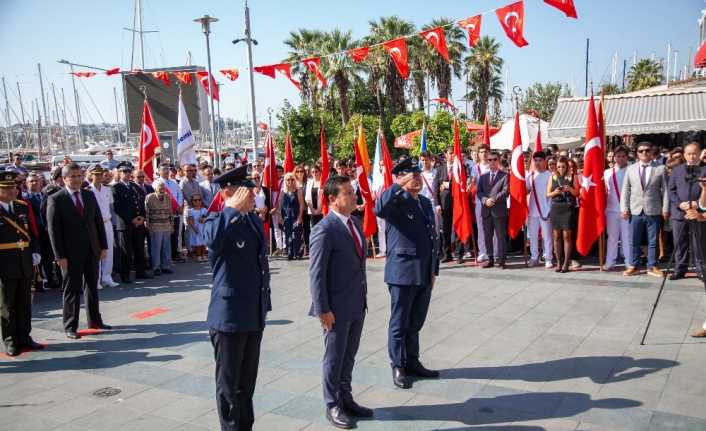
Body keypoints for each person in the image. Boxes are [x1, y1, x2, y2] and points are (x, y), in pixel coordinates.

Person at [204, 165, 271, 431]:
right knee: (229, 386)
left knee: (247, 384)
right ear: (229, 192)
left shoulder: (252, 220)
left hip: (253, 312)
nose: (254, 194)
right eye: (248, 190)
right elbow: (211, 239)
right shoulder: (217, 220)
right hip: (229, 317)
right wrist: (230, 207)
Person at [308, 175, 373, 429]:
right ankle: (332, 404)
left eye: (353, 192)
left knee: (349, 356)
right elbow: (316, 274)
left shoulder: (354, 223)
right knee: (334, 358)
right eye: (348, 193)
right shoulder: (324, 229)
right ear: (333, 200)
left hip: (356, 303)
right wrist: (322, 309)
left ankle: (346, 398)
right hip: (334, 309)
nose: (354, 196)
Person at [375, 158, 440, 390]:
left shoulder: (423, 202)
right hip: (402, 273)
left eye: (418, 174)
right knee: (399, 322)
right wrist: (398, 185)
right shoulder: (395, 202)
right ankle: (398, 365)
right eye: (412, 175)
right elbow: (378, 208)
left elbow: (433, 237)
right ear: (400, 177)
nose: (417, 179)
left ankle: (412, 361)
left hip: (424, 272)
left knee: (416, 321)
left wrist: (434, 269)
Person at [47, 163, 110, 339]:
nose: (76, 179)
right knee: (71, 290)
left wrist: (103, 246)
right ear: (64, 178)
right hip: (70, 253)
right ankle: (70, 326)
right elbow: (54, 230)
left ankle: (95, 320)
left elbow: (97, 222)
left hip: (91, 249)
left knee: (92, 287)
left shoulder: (89, 196)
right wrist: (59, 256)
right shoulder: (56, 199)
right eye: (72, 176)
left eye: (78, 176)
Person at [0, 170, 43, 356]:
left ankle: (25, 336)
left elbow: (33, 233)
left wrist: (35, 251)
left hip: (24, 261)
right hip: (4, 264)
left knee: (25, 303)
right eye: (7, 188)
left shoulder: (22, 207)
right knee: (7, 305)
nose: (13, 191)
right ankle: (10, 340)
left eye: (14, 187)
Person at [620, 141, 670, 277]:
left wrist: (665, 209)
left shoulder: (660, 168)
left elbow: (665, 190)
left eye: (647, 150)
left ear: (651, 151)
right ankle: (634, 265)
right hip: (635, 210)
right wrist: (624, 208)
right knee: (634, 240)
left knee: (653, 241)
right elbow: (626, 190)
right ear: (637, 153)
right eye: (641, 151)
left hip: (654, 209)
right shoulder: (630, 169)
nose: (644, 153)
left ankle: (652, 266)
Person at [667, 141, 706, 280]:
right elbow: (671, 190)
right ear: (684, 155)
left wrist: (698, 203)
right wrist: (679, 204)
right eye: (689, 154)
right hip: (680, 213)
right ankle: (679, 269)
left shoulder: (704, 169)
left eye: (694, 153)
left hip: (698, 212)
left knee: (699, 242)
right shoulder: (677, 170)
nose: (692, 156)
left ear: (700, 153)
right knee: (680, 242)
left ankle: (701, 270)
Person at [87, 164, 119, 288]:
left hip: (107, 222)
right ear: (91, 175)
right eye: (96, 174)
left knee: (109, 250)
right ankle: (96, 279)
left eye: (101, 174)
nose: (99, 177)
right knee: (97, 251)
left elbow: (111, 208)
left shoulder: (107, 189)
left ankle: (106, 276)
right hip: (95, 224)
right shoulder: (88, 191)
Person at [547, 157, 580, 273]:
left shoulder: (572, 176)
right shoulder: (552, 176)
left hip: (567, 208)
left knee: (567, 236)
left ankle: (566, 262)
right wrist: (555, 192)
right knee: (556, 236)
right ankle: (559, 262)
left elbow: (577, 193)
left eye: (563, 166)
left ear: (567, 167)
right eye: (559, 166)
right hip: (556, 207)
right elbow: (548, 193)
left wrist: (569, 189)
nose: (561, 169)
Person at [477, 151, 509, 269]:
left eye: (494, 159)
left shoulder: (505, 175)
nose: (492, 162)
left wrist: (493, 199)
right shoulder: (483, 176)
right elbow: (479, 192)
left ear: (499, 160)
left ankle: (501, 260)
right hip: (486, 210)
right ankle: (490, 259)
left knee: (500, 237)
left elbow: (505, 191)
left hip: (498, 210)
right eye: (489, 160)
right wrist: (485, 200)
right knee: (487, 236)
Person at [603, 146, 632, 271]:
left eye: (623, 156)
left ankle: (629, 262)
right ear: (614, 157)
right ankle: (610, 261)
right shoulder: (607, 172)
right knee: (612, 237)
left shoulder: (631, 170)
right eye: (618, 156)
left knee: (627, 237)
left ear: (627, 157)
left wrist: (629, 208)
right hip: (611, 209)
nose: (620, 159)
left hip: (626, 210)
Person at [526, 151, 553, 268]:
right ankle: (534, 257)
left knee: (547, 235)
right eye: (535, 160)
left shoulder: (550, 175)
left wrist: (549, 209)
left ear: (544, 161)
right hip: (532, 210)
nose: (537, 163)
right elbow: (525, 190)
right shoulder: (530, 175)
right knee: (532, 235)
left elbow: (551, 194)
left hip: (545, 210)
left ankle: (548, 258)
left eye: (539, 160)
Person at [154, 164, 184, 262]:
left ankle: (174, 255)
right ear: (159, 171)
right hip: (165, 213)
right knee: (166, 236)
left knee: (175, 234)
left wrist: (179, 206)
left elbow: (180, 194)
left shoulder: (174, 183)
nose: (166, 172)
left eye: (167, 170)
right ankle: (166, 257)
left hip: (175, 212)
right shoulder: (156, 183)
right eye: (164, 170)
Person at [145, 181, 174, 276]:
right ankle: (156, 267)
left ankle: (166, 266)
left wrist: (172, 225)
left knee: (167, 247)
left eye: (163, 188)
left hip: (166, 225)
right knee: (156, 247)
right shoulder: (149, 197)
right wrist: (148, 226)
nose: (162, 190)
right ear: (155, 189)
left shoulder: (167, 197)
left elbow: (171, 212)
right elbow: (147, 213)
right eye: (159, 188)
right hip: (155, 226)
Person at [432, 147, 456, 262]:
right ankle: (447, 254)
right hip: (444, 205)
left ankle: (459, 253)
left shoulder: (461, 168)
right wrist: (437, 204)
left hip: (457, 204)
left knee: (457, 229)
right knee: (445, 230)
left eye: (454, 153)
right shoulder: (440, 169)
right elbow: (435, 189)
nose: (452, 155)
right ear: (446, 155)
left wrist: (449, 185)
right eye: (450, 153)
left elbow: (463, 186)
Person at [469, 145, 491, 262]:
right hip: (479, 201)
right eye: (481, 152)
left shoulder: (492, 166)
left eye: (485, 152)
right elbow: (472, 182)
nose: (484, 154)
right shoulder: (475, 168)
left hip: (492, 201)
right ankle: (482, 251)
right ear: (478, 154)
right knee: (481, 227)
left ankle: (493, 251)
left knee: (491, 228)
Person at [277, 172, 304, 260]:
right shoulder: (282, 192)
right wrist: (280, 216)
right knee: (288, 235)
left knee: (297, 234)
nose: (290, 181)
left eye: (292, 179)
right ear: (285, 181)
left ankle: (298, 253)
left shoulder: (298, 191)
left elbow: (301, 205)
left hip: (296, 215)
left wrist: (300, 217)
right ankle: (290, 252)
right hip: (286, 216)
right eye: (288, 180)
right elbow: (280, 205)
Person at [187, 194, 208, 262]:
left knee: (204, 242)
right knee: (198, 243)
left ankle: (204, 255)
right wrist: (194, 228)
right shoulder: (191, 210)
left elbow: (207, 218)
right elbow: (190, 220)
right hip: (196, 228)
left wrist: (203, 219)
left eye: (199, 200)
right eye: (195, 200)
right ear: (192, 201)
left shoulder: (204, 210)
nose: (197, 201)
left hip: (203, 227)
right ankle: (198, 256)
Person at [304, 163, 324, 229]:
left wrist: (319, 210)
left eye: (316, 171)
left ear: (320, 172)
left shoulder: (323, 182)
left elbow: (324, 198)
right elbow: (307, 198)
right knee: (314, 230)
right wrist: (313, 210)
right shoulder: (309, 182)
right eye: (313, 172)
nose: (314, 173)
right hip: (312, 211)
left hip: (322, 211)